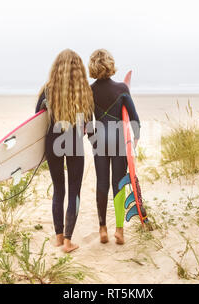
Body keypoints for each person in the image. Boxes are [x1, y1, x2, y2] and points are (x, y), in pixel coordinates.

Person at [36, 49, 94, 253]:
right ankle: (69, 241)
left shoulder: (47, 90)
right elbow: (89, 125)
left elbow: (37, 119)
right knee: (74, 191)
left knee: (58, 189)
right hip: (74, 144)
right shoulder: (84, 91)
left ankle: (59, 237)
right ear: (79, 68)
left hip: (53, 143)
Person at [88, 49, 141, 245]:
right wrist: (134, 140)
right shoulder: (122, 89)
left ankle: (102, 228)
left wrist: (93, 140)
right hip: (119, 141)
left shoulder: (89, 91)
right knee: (118, 183)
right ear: (110, 64)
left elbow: (87, 123)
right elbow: (135, 119)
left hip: (100, 141)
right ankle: (119, 230)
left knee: (102, 183)